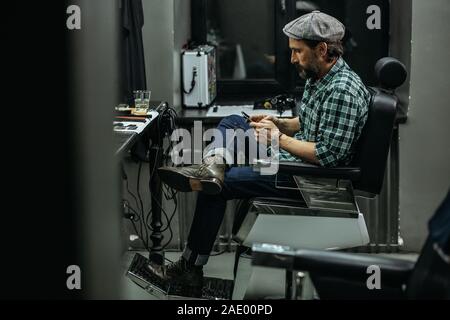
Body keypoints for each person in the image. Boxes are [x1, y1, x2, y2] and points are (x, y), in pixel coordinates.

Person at [157, 11, 371, 295]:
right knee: (235, 123)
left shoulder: (342, 90)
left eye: (297, 51)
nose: (292, 58)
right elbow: (308, 122)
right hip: (294, 163)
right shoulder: (320, 74)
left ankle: (191, 268)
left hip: (307, 180)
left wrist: (278, 139)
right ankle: (213, 165)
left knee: (218, 187)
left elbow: (327, 156)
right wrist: (279, 123)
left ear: (321, 49)